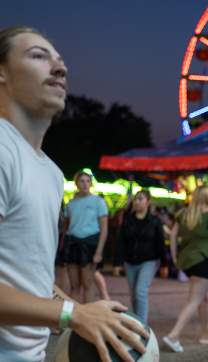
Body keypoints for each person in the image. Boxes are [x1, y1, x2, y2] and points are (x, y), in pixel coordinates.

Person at [0, 26, 147, 362]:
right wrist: (72, 315)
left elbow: (27, 279)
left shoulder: (51, 173)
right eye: (38, 56)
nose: (60, 68)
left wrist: (82, 313)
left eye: (61, 61)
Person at [163, 186, 208, 353]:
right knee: (195, 299)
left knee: (204, 297)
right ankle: (173, 336)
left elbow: (172, 235)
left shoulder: (184, 214)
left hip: (188, 262)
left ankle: (206, 334)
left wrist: (175, 255)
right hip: (204, 260)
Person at [116, 190, 165, 324]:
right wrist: (118, 263)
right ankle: (136, 321)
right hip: (130, 262)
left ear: (148, 202)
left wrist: (164, 264)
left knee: (140, 292)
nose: (137, 202)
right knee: (133, 295)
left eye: (140, 199)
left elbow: (160, 242)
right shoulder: (128, 220)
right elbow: (121, 242)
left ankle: (142, 327)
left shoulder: (155, 221)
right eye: (136, 199)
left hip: (149, 261)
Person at [62, 170, 109, 303]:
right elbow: (66, 227)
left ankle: (89, 318)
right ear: (76, 183)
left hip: (90, 244)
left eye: (87, 181)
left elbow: (104, 229)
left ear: (91, 184)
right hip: (73, 244)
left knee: (88, 285)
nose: (85, 184)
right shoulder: (70, 204)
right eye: (81, 181)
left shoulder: (98, 201)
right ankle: (72, 319)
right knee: (74, 286)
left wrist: (99, 252)